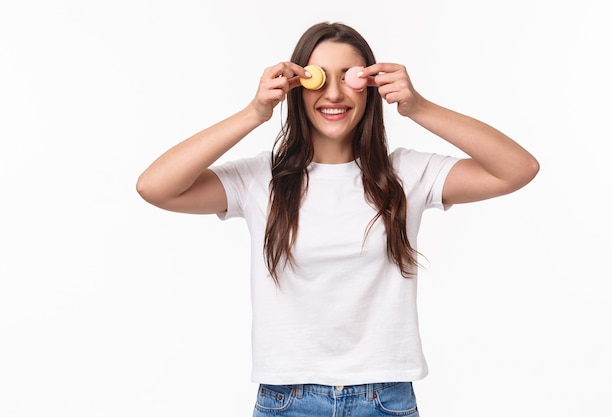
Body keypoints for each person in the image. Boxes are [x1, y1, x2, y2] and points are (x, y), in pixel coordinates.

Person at [136, 21, 539, 417]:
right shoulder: (261, 178)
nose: (333, 93)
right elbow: (155, 187)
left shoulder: (407, 175)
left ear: (371, 87)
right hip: (287, 398)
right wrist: (253, 113)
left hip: (385, 397)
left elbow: (517, 169)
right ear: (296, 88)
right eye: (318, 78)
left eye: (349, 77)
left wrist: (418, 107)